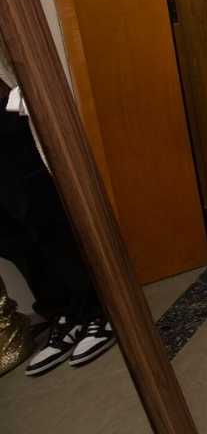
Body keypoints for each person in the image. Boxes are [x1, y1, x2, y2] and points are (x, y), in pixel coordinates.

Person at [1, 38, 114, 376]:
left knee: (41, 215)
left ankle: (95, 311)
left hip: (8, 113)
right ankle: (63, 313)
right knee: (9, 234)